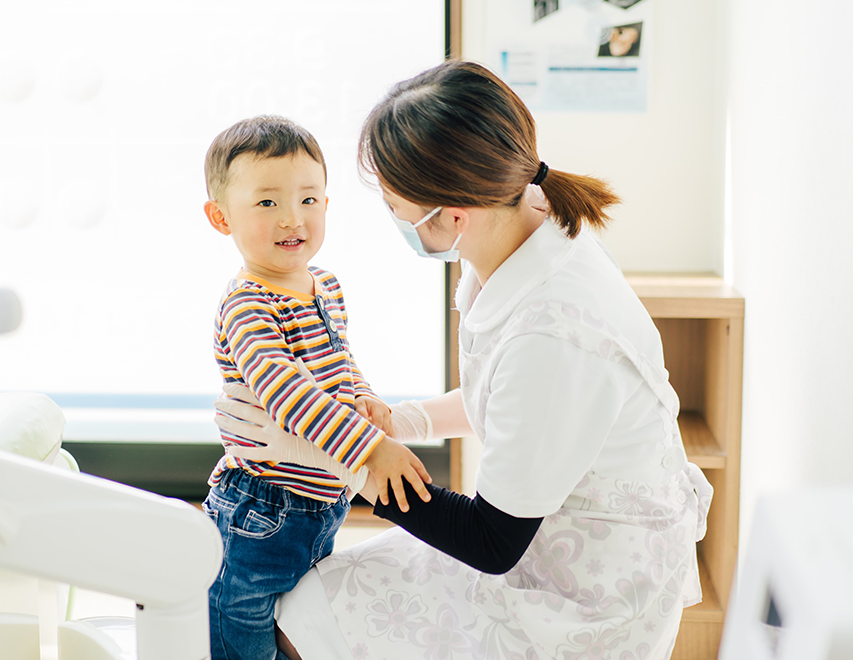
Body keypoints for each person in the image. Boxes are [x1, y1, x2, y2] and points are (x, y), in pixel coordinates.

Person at [213, 62, 714, 660]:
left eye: (395, 202)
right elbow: (508, 400)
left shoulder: (556, 332)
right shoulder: (519, 227)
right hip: (532, 530)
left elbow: (491, 541)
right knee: (287, 611)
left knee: (302, 624)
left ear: (451, 215)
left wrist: (348, 460)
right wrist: (399, 424)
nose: (390, 214)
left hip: (576, 584)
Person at [201, 115, 433, 660]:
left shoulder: (322, 284)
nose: (292, 218)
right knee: (241, 627)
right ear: (220, 217)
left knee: (302, 626)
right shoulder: (248, 304)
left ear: (327, 205)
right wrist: (374, 450)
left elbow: (339, 362)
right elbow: (292, 396)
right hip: (261, 509)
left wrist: (366, 398)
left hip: (323, 498)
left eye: (308, 199)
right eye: (266, 203)